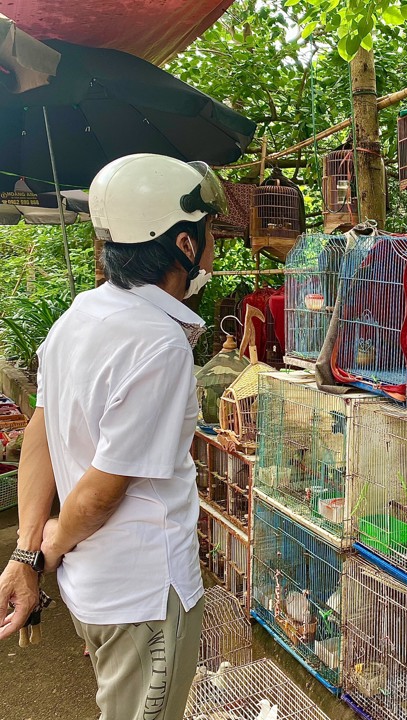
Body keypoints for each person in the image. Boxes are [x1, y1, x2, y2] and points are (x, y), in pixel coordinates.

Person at [0, 154, 226, 720]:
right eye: (209, 232)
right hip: (142, 593)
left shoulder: (79, 315)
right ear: (183, 244)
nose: (214, 244)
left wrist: (28, 550)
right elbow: (103, 491)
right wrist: (42, 551)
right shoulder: (160, 344)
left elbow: (40, 436)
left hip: (94, 589)